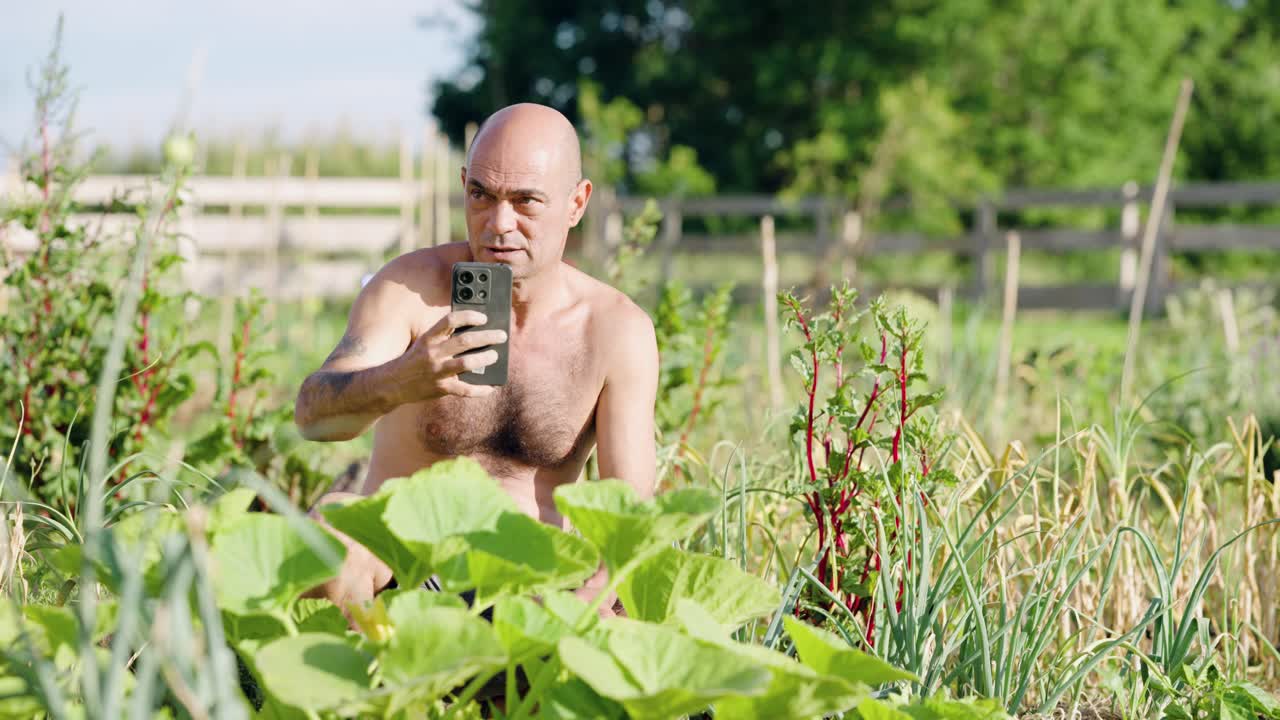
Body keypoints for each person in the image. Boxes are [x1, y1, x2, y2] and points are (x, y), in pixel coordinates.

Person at [294, 103, 659, 618]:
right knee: (332, 533)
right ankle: (367, 691)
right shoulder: (408, 289)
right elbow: (312, 417)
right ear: (463, 184)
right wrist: (404, 378)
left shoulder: (615, 329)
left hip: (529, 585)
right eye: (481, 195)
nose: (498, 224)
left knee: (629, 605)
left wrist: (590, 601)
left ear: (576, 203)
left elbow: (631, 507)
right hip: (405, 566)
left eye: (526, 201)